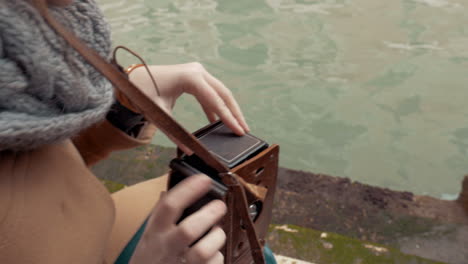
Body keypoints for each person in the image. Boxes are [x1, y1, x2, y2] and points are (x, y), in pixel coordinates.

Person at [0, 0, 274, 264]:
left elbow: (41, 158)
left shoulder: (43, 26)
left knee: (238, 236)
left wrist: (122, 103)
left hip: (85, 225)